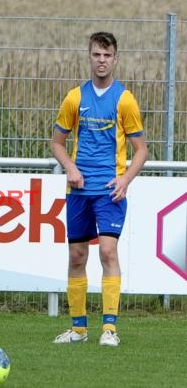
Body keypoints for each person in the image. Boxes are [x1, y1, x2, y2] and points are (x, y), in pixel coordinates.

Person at [51, 32, 148, 347]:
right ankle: (78, 329)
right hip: (78, 191)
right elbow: (56, 143)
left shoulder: (125, 99)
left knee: (108, 252)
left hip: (110, 190)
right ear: (89, 57)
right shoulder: (74, 98)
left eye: (107, 55)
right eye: (96, 55)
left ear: (115, 59)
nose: (101, 61)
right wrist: (70, 167)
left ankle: (109, 329)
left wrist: (125, 179)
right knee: (77, 255)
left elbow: (141, 150)